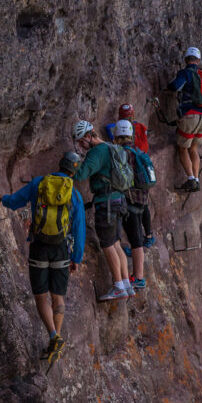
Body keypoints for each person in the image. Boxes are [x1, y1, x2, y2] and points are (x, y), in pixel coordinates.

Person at [1, 152, 86, 363]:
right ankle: (56, 339)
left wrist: (3, 198)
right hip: (61, 248)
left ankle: (53, 337)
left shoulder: (39, 183)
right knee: (58, 297)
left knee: (40, 296)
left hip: (39, 246)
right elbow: (78, 228)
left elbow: (14, 202)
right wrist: (76, 257)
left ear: (59, 164)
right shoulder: (74, 194)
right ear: (74, 172)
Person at [72, 120, 135, 302]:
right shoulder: (111, 147)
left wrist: (71, 165)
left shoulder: (97, 152)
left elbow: (81, 174)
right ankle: (125, 284)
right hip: (119, 200)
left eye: (81, 142)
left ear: (88, 136)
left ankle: (118, 286)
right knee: (115, 243)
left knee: (107, 244)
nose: (80, 146)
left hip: (106, 202)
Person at [105, 104, 155, 251]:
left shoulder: (120, 134)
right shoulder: (140, 127)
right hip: (142, 166)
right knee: (143, 205)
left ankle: (126, 244)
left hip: (130, 173)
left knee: (127, 213)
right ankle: (149, 235)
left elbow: (109, 129)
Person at [114, 119, 153, 290]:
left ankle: (138, 277)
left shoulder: (120, 153)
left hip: (128, 200)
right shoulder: (138, 151)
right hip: (141, 200)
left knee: (136, 240)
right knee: (136, 239)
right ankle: (138, 276)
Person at [167, 46, 202, 191]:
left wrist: (167, 86)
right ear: (198, 60)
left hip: (190, 116)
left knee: (182, 148)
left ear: (186, 59)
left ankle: (191, 179)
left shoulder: (185, 72)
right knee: (194, 148)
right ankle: (197, 178)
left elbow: (175, 86)